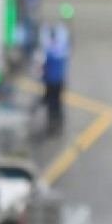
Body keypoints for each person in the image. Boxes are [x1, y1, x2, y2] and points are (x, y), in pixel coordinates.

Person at [37, 9, 71, 137]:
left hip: (54, 81)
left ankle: (55, 125)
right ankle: (55, 125)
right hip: (54, 80)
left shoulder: (53, 51)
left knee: (54, 105)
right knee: (54, 105)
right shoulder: (59, 50)